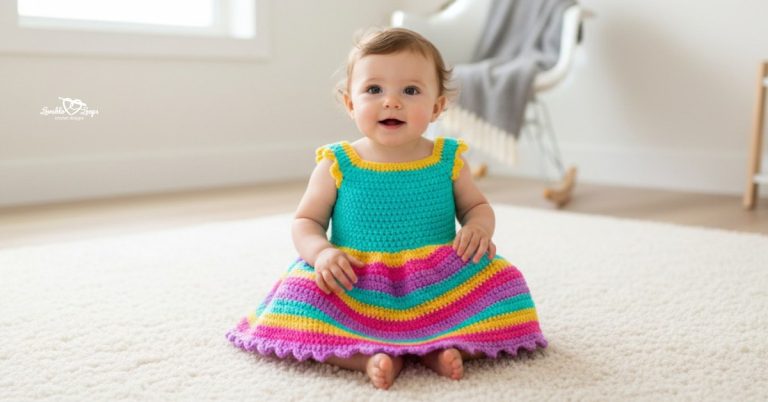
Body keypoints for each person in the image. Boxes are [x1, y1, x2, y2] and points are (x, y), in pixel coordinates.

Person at [227, 27, 547, 390]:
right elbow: (306, 221)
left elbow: (477, 206)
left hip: (436, 282)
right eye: (374, 89)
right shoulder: (338, 162)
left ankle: (441, 346)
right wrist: (322, 254)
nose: (391, 102)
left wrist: (477, 229)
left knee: (507, 286)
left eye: (410, 91)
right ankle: (366, 356)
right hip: (356, 277)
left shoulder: (446, 159)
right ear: (351, 103)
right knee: (299, 297)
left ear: (437, 107)